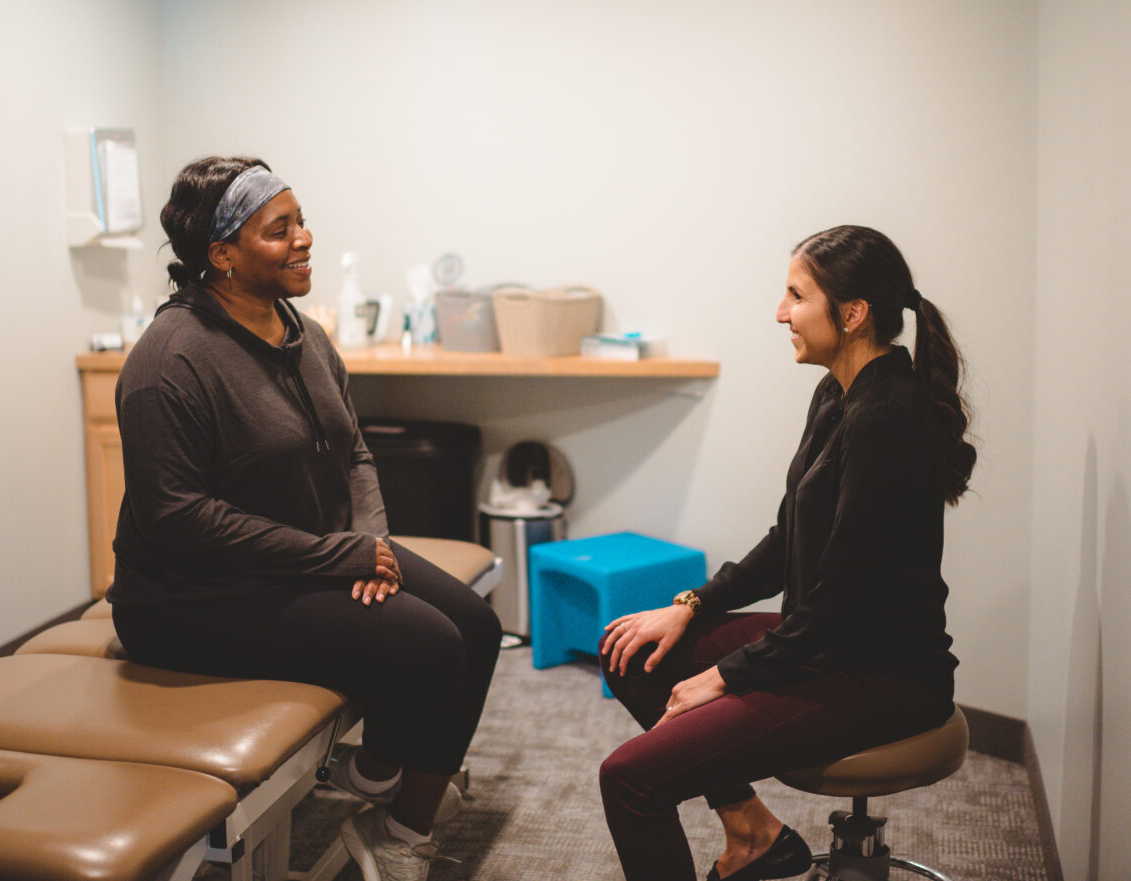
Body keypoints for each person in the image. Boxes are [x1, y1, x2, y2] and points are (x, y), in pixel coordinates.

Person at [107, 156, 501, 881]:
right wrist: (340, 559)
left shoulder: (301, 332)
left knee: (475, 626)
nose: (304, 239)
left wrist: (372, 545)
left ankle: (390, 813)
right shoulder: (170, 362)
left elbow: (353, 449)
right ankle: (378, 779)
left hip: (310, 552)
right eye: (277, 229)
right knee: (431, 646)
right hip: (191, 595)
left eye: (301, 221)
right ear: (220, 255)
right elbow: (179, 521)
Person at [597, 225, 976, 881]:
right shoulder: (838, 391)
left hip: (881, 676)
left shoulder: (888, 416)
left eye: (796, 295)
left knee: (629, 778)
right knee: (632, 650)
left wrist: (724, 676)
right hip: (827, 645)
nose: (781, 312)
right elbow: (785, 542)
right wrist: (691, 605)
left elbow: (840, 605)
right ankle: (753, 834)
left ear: (853, 313)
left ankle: (750, 833)